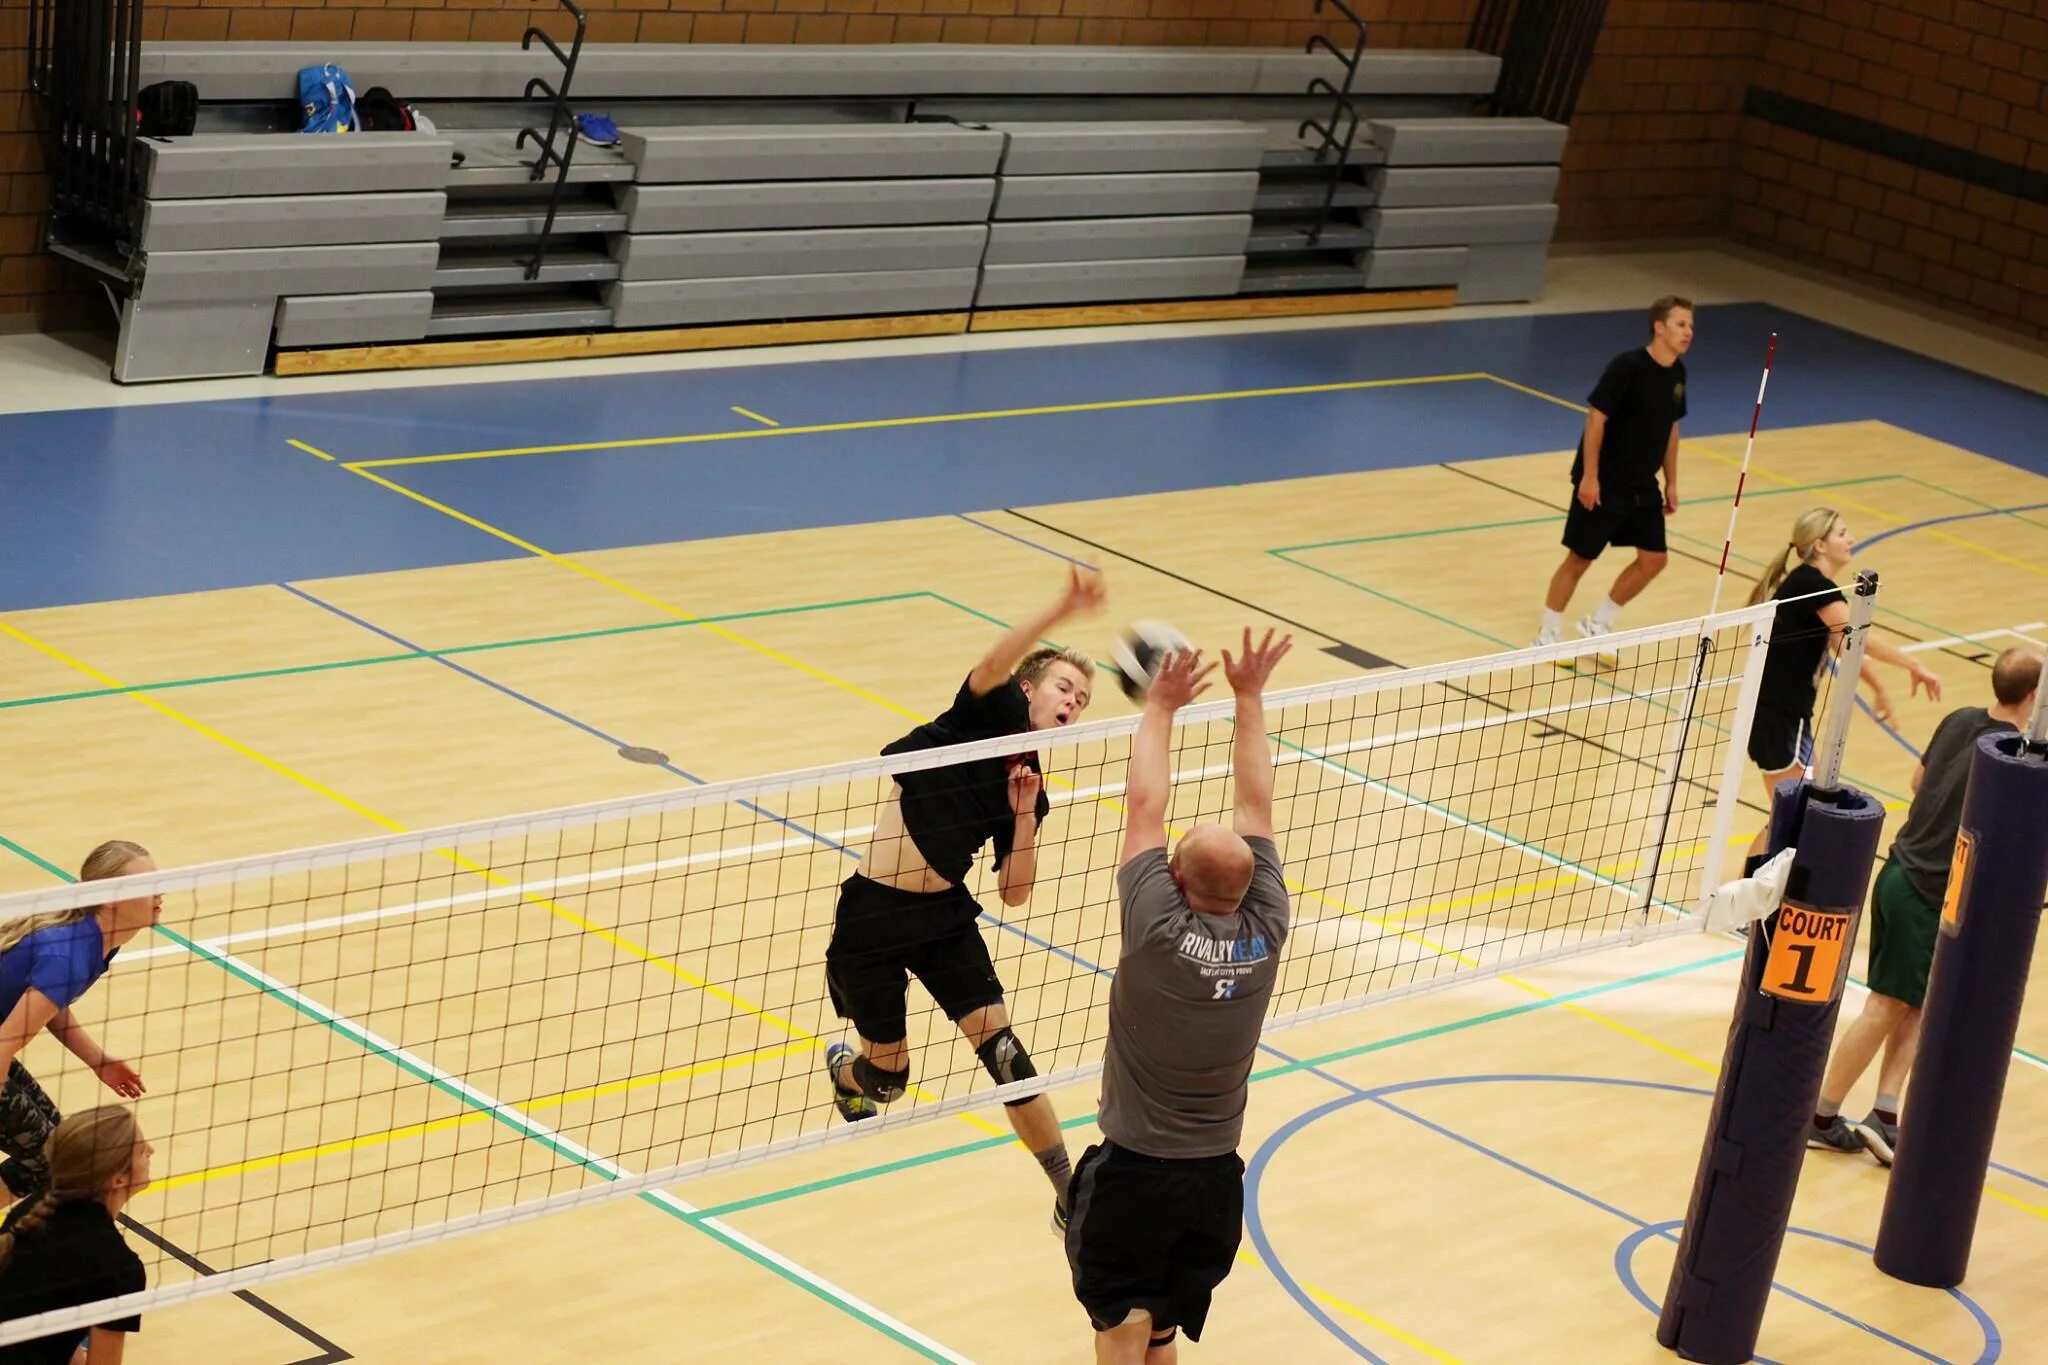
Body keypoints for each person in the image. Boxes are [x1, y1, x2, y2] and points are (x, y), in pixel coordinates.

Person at [822, 566, 1105, 1223]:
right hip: (872, 917)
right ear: (1028, 688)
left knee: (1008, 1055)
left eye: (1084, 699)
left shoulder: (1029, 780)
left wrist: (1026, 817)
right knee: (889, 1080)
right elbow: (992, 660)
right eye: (1066, 686)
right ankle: (848, 1072)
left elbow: (1014, 892)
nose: (1074, 701)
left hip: (944, 919)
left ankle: (1068, 1194)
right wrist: (1063, 604)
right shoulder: (985, 711)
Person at [1066, 628, 1294, 1364]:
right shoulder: (1268, 926)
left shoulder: (1157, 930)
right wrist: (1250, 699)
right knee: (1160, 1329)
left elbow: (1142, 805)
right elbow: (1256, 806)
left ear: (1177, 881)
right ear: (1247, 886)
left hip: (1135, 1172)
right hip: (1216, 1181)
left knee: (1121, 1329)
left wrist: (1160, 707)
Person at [1809, 647, 2041, 1164]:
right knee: (1886, 1006)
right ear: (2033, 696)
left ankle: (1885, 1113)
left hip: (1900, 873)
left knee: (1917, 1002)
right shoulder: (2014, 759)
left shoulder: (1961, 719)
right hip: (1923, 890)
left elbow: (1917, 783)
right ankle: (1821, 1117)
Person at [1743, 507, 1942, 856]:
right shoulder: (1810, 584)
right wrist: (1914, 665)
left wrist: (1878, 687)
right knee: (1791, 816)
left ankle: (1759, 891)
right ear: (1819, 545)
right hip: (1776, 720)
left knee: (1802, 813)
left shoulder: (1811, 584)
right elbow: (1858, 635)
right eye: (1842, 533)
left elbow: (1845, 647)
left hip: (1791, 717)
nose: (1850, 539)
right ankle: (1746, 890)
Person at [1532, 296, 1694, 652]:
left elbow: (1671, 429)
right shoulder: (1628, 367)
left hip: (1642, 485)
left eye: (1691, 326)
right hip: (1606, 481)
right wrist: (1590, 478)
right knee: (1580, 558)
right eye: (1681, 324)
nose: (1688, 332)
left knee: (1654, 559)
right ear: (1659, 327)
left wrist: (1672, 482)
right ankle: (1547, 635)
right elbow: (1596, 419)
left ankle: (1598, 622)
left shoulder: (1678, 373)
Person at [0, 843, 156, 1206]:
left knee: (57, 1153)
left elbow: (47, 1002)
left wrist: (98, 1060)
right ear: (113, 898)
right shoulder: (69, 955)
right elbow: (4, 1044)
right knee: (51, 1164)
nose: (161, 891)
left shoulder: (94, 940)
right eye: (148, 884)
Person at [0, 1106, 153, 1365]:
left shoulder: (37, 1207)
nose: (151, 1150)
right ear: (117, 1180)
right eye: (141, 1151)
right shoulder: (118, 1267)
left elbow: (51, 1322)